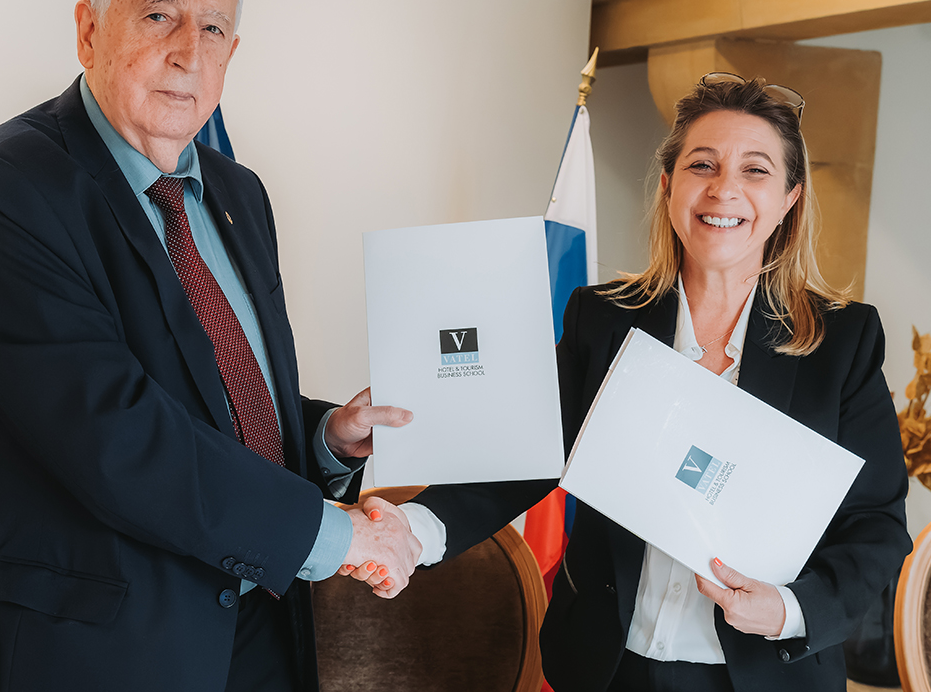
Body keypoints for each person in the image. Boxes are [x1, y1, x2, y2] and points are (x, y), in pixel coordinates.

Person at [0, 0, 422, 692]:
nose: (189, 50)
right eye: (159, 15)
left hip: (257, 631)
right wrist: (335, 536)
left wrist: (325, 438)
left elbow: (209, 401)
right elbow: (114, 431)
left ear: (232, 54)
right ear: (89, 31)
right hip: (88, 653)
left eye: (213, 28)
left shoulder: (239, 194)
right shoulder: (4, 187)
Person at [350, 73, 912, 691]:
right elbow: (523, 460)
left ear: (788, 200)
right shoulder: (601, 319)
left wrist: (790, 610)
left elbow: (876, 526)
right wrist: (414, 529)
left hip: (762, 677)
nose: (724, 188)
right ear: (669, 186)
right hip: (607, 669)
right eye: (702, 164)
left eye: (755, 171)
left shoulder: (842, 343)